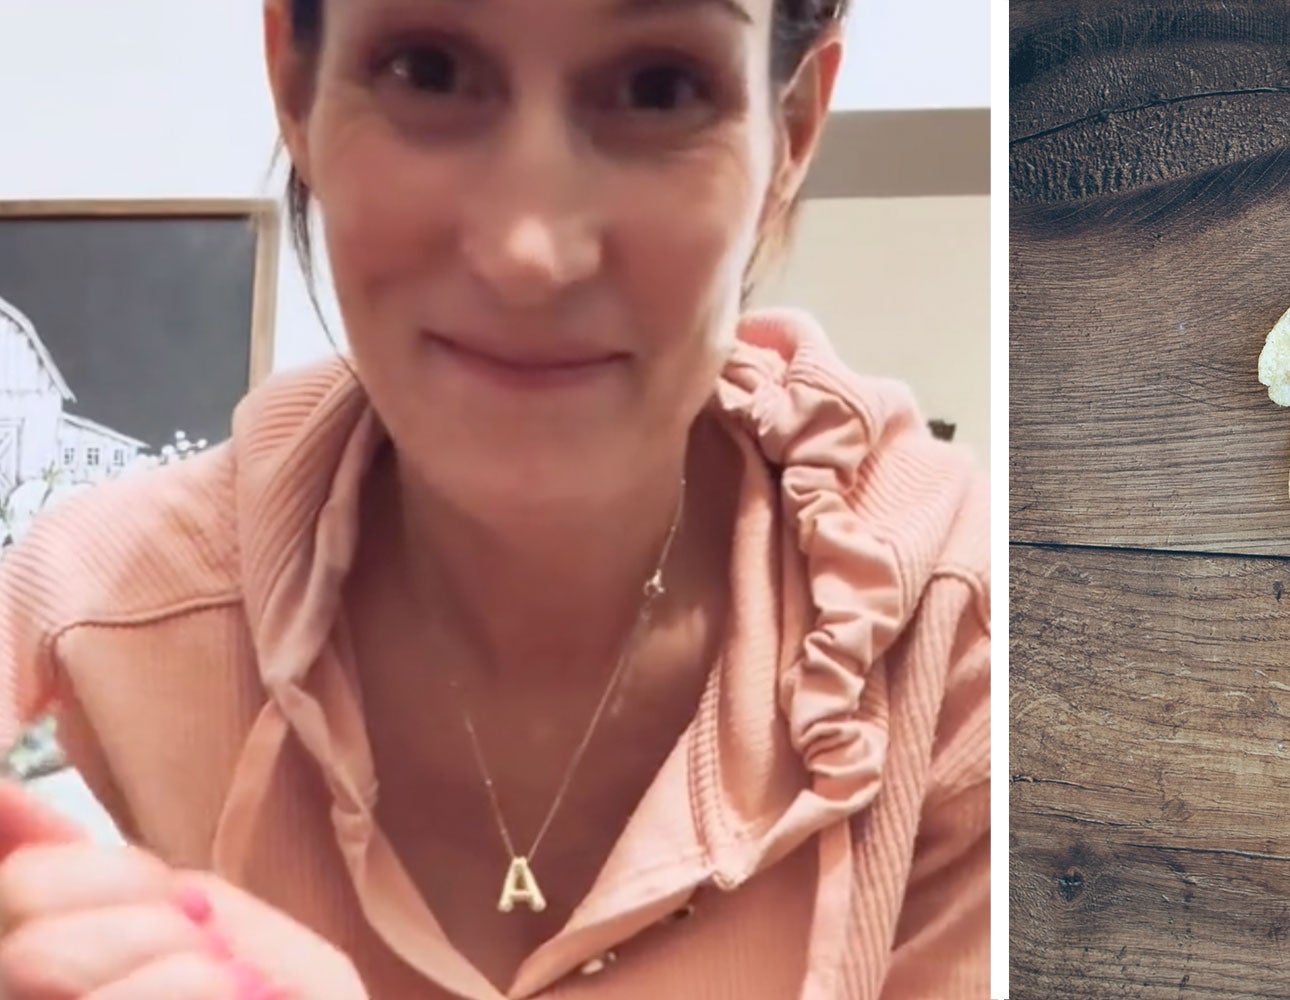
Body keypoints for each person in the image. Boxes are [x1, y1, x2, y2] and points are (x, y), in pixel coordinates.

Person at [0, 0, 990, 997]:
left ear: (792, 134)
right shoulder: (81, 634)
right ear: (295, 90)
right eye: (426, 70)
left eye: (659, 88)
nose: (529, 255)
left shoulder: (968, 645)